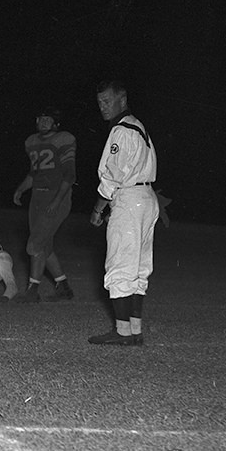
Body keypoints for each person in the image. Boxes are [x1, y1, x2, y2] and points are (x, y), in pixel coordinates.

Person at [88, 79, 159, 345]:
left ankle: (122, 331)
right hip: (146, 197)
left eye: (108, 101)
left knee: (119, 264)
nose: (103, 107)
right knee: (139, 266)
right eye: (100, 103)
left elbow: (113, 174)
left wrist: (98, 207)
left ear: (122, 99)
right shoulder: (138, 126)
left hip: (129, 198)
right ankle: (134, 330)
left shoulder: (122, 130)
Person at [11, 107, 76, 302]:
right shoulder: (31, 142)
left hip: (56, 197)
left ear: (56, 123)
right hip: (37, 198)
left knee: (34, 244)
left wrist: (57, 201)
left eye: (48, 119)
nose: (44, 121)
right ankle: (63, 287)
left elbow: (70, 175)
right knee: (43, 246)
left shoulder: (63, 139)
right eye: (41, 118)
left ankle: (32, 291)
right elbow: (34, 173)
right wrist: (21, 189)